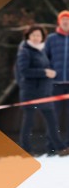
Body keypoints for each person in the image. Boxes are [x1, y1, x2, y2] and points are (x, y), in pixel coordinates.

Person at [16, 24, 67, 155]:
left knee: (52, 121)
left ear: (42, 37)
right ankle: (25, 149)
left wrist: (49, 74)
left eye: (38, 35)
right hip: (30, 93)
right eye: (33, 35)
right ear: (28, 36)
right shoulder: (25, 51)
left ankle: (60, 148)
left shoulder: (42, 51)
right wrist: (44, 72)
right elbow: (24, 71)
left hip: (45, 93)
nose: (36, 38)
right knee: (29, 122)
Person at [44, 10, 69, 142]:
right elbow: (44, 58)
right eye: (63, 20)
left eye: (68, 20)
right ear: (59, 22)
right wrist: (47, 72)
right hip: (55, 84)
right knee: (53, 115)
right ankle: (52, 145)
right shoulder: (51, 38)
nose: (66, 22)